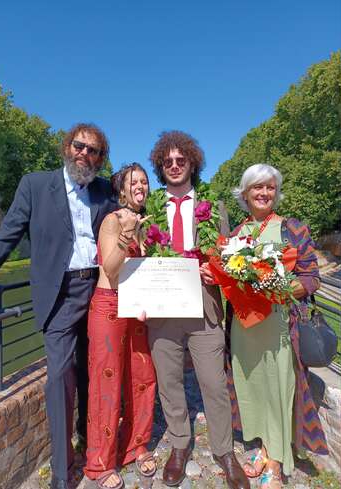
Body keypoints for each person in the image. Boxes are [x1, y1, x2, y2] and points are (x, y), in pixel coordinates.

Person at [0, 123, 117, 489]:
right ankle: (60, 471)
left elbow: (129, 227)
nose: (84, 154)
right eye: (78, 146)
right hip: (60, 293)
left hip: (99, 291)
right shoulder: (35, 185)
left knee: (91, 373)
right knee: (58, 378)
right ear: (66, 147)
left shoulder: (104, 191)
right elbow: (5, 237)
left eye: (93, 150)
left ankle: (91, 442)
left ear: (101, 159)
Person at [147, 131, 249, 489]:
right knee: (169, 383)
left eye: (181, 160)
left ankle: (224, 451)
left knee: (213, 383)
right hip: (161, 309)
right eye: (168, 161)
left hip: (205, 305)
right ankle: (179, 445)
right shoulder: (149, 207)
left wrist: (216, 271)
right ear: (161, 166)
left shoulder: (214, 206)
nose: (175, 166)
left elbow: (228, 256)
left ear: (192, 163)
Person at [226, 164, 328, 488]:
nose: (264, 193)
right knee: (250, 386)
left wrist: (282, 287)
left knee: (279, 389)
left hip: (281, 328)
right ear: (244, 193)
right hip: (244, 329)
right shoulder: (235, 236)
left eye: (270, 187)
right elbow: (229, 278)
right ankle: (259, 444)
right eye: (257, 187)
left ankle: (277, 458)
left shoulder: (292, 229)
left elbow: (312, 278)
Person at [84, 163, 157, 489]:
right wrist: (128, 233)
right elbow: (111, 270)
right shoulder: (113, 221)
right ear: (122, 189)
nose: (140, 186)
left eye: (144, 181)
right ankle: (100, 463)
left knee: (142, 378)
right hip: (110, 307)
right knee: (107, 385)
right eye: (134, 182)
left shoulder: (148, 223)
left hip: (137, 308)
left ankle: (136, 445)